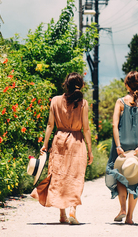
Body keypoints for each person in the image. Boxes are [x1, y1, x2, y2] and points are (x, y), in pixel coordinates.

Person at [30, 73, 94, 225]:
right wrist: (90, 150)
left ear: (65, 84)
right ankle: (72, 209)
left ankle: (62, 215)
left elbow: (50, 125)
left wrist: (45, 145)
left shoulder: (55, 100)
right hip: (77, 141)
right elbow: (86, 129)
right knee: (75, 177)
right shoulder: (83, 103)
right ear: (81, 86)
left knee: (59, 176)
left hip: (59, 140)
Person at [105, 71, 138, 225]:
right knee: (135, 178)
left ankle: (122, 208)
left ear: (126, 85)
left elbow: (114, 124)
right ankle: (130, 217)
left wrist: (118, 146)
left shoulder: (120, 102)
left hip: (122, 144)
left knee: (120, 174)